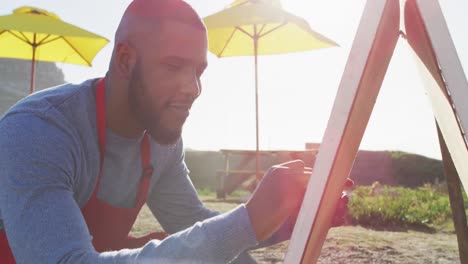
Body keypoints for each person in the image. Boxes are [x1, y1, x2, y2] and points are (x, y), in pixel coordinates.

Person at [0, 0, 350, 263]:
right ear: (125, 60)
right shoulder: (38, 132)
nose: (193, 88)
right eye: (174, 66)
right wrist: (248, 220)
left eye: (199, 71)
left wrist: (294, 215)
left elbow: (194, 224)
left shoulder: (159, 142)